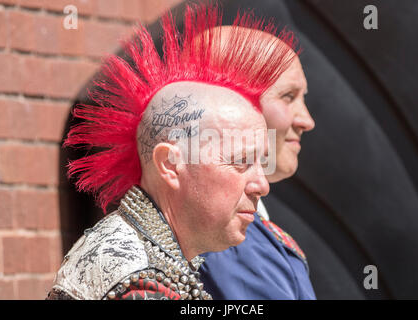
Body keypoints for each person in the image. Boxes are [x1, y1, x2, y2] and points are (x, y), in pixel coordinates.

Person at [46, 4, 295, 300]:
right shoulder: (139, 283)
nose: (261, 185)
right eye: (241, 161)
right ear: (170, 164)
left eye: (260, 162)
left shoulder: (151, 256)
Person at [199, 27, 317, 300]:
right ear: (230, 104)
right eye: (288, 96)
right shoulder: (225, 235)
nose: (306, 121)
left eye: (303, 98)